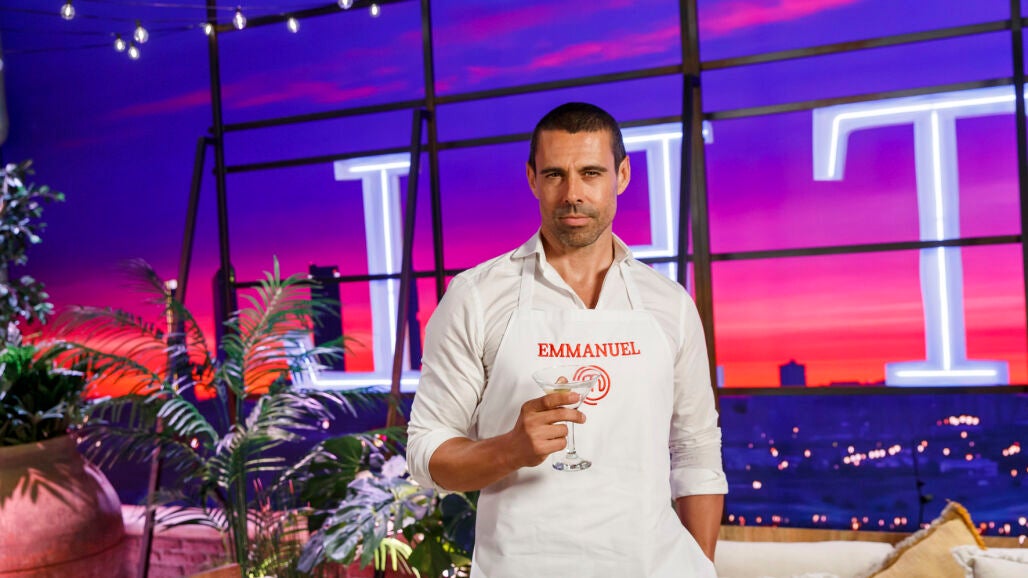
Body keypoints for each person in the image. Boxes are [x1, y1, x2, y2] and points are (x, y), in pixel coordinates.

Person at [407, 102, 727, 577]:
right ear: (532, 179)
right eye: (555, 174)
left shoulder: (670, 303)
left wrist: (700, 568)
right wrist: (510, 450)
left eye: (591, 173)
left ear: (621, 175)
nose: (572, 194)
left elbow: (696, 449)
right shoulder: (476, 297)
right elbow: (426, 453)